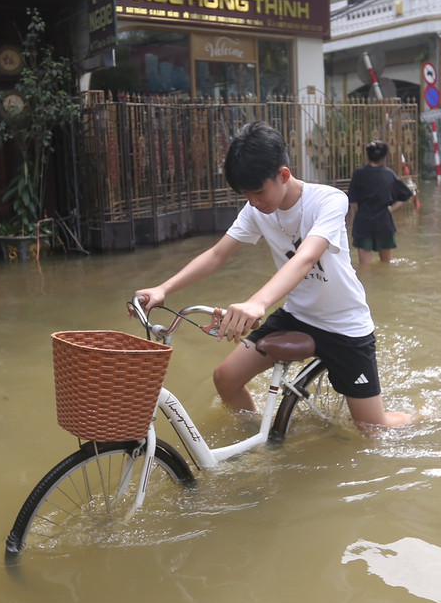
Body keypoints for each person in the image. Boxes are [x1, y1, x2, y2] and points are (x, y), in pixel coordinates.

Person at [135, 122, 413, 433]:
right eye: (246, 194)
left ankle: (424, 416)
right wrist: (163, 289)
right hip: (296, 315)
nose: (253, 201)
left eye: (257, 191)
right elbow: (216, 255)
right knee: (225, 378)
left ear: (283, 175)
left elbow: (307, 258)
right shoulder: (257, 209)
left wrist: (256, 303)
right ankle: (260, 439)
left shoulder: (329, 200)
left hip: (344, 324)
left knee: (373, 428)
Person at [347, 139, 414, 268]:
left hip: (363, 223)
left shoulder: (358, 174)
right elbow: (406, 194)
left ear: (367, 155)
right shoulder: (388, 174)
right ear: (385, 157)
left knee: (365, 267)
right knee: (386, 265)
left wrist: (355, 218)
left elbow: (352, 201)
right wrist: (391, 208)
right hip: (383, 222)